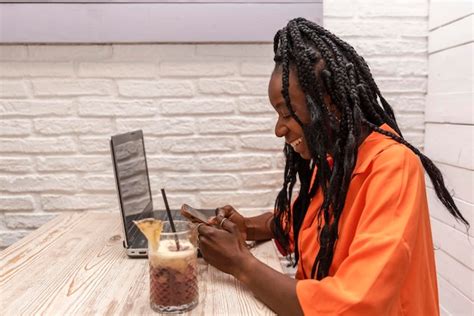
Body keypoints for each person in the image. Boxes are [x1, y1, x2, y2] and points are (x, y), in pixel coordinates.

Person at [195, 18, 469, 315]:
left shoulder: (393, 167)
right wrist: (245, 225)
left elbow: (356, 304)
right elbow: (300, 224)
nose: (279, 129)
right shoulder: (333, 162)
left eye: (287, 113)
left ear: (329, 104)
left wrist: (241, 265)